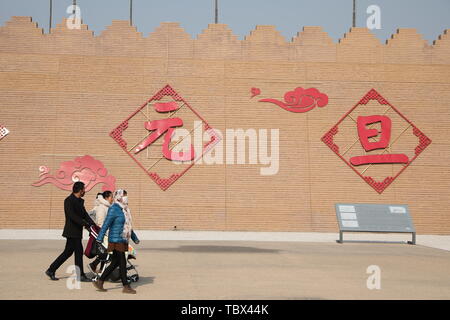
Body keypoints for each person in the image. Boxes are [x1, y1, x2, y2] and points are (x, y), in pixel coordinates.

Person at [45, 181, 96, 282]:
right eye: (84, 189)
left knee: (68, 252)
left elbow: (85, 214)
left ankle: (51, 270)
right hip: (71, 231)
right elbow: (72, 216)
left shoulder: (80, 201)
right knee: (78, 252)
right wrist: (85, 224)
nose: (84, 191)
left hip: (77, 232)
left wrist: (93, 225)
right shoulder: (68, 201)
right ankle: (80, 275)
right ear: (80, 190)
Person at [93, 189, 140, 294]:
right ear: (118, 197)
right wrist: (99, 238)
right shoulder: (114, 208)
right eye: (124, 196)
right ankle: (126, 286)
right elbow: (106, 224)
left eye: (126, 196)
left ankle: (100, 281)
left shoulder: (125, 209)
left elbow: (127, 226)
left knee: (115, 262)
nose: (126, 198)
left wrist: (134, 238)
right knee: (122, 262)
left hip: (123, 239)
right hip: (115, 240)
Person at [88, 190, 113, 274]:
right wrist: (105, 233)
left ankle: (101, 269)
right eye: (111, 197)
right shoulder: (102, 207)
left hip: (107, 232)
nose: (112, 198)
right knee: (106, 251)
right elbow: (100, 222)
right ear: (106, 197)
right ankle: (94, 265)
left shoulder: (107, 206)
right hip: (103, 233)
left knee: (106, 251)